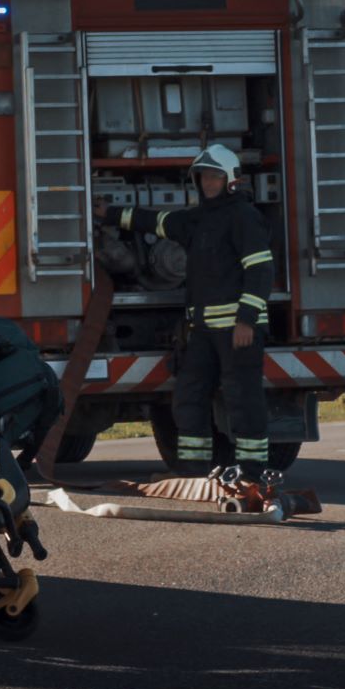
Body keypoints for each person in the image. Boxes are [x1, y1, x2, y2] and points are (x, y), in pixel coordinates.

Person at [102, 144, 274, 476]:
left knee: (243, 401)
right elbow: (158, 222)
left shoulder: (244, 217)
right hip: (203, 333)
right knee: (189, 398)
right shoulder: (198, 219)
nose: (208, 183)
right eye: (203, 177)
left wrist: (246, 320)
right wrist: (109, 215)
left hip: (238, 331)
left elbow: (260, 270)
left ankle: (253, 473)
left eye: (214, 176)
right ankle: (194, 472)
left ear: (230, 180)